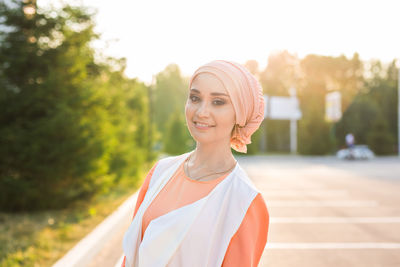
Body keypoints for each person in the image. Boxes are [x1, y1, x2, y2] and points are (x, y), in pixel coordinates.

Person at [122, 60, 270, 267]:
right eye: (195, 98)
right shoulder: (160, 172)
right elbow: (131, 257)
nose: (201, 112)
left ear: (240, 112)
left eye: (218, 102)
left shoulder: (244, 200)